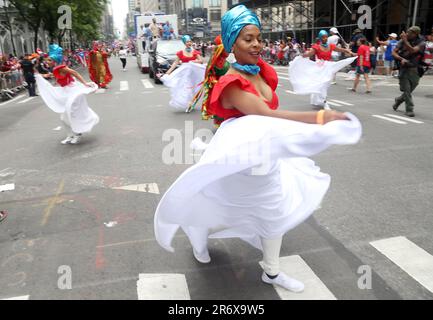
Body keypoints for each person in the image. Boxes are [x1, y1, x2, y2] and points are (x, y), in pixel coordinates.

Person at [154, 5, 362, 294]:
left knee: (272, 209)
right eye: (247, 39)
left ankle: (273, 272)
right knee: (225, 209)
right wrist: (319, 118)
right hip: (239, 157)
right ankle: (199, 232)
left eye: (258, 38)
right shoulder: (231, 83)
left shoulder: (262, 71)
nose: (256, 45)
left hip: (267, 152)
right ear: (231, 43)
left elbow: (268, 119)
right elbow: (268, 115)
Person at [35, 44, 99, 145]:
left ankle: (77, 134)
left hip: (73, 91)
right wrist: (40, 76)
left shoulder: (61, 67)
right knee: (63, 117)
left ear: (55, 61)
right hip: (65, 91)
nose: (47, 62)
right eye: (47, 60)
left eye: (49, 60)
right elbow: (55, 76)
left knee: (71, 114)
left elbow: (75, 73)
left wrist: (85, 83)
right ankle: (70, 135)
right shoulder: (55, 69)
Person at [301, 30, 356, 109]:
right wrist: (301, 55)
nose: (325, 38)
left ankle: (318, 99)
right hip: (319, 69)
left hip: (328, 68)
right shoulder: (316, 47)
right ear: (320, 38)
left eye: (326, 36)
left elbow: (341, 50)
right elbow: (309, 54)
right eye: (323, 37)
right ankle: (324, 102)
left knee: (325, 85)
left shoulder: (330, 46)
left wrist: (350, 52)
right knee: (322, 85)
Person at [160, 35, 205, 111]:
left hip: (193, 73)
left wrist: (193, 61)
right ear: (184, 43)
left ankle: (191, 102)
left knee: (193, 88)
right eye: (187, 42)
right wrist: (168, 72)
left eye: (190, 41)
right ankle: (188, 103)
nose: (189, 43)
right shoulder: (180, 53)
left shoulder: (194, 52)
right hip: (184, 73)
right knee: (185, 87)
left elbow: (201, 61)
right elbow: (175, 63)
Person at [391, 26, 426, 117]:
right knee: (407, 90)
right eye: (407, 32)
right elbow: (394, 52)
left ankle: (398, 100)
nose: (407, 34)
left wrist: (405, 40)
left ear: (416, 34)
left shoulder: (421, 42)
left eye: (410, 33)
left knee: (409, 91)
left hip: (415, 70)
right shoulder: (402, 41)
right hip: (404, 69)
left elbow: (412, 50)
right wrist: (401, 58)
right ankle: (409, 109)